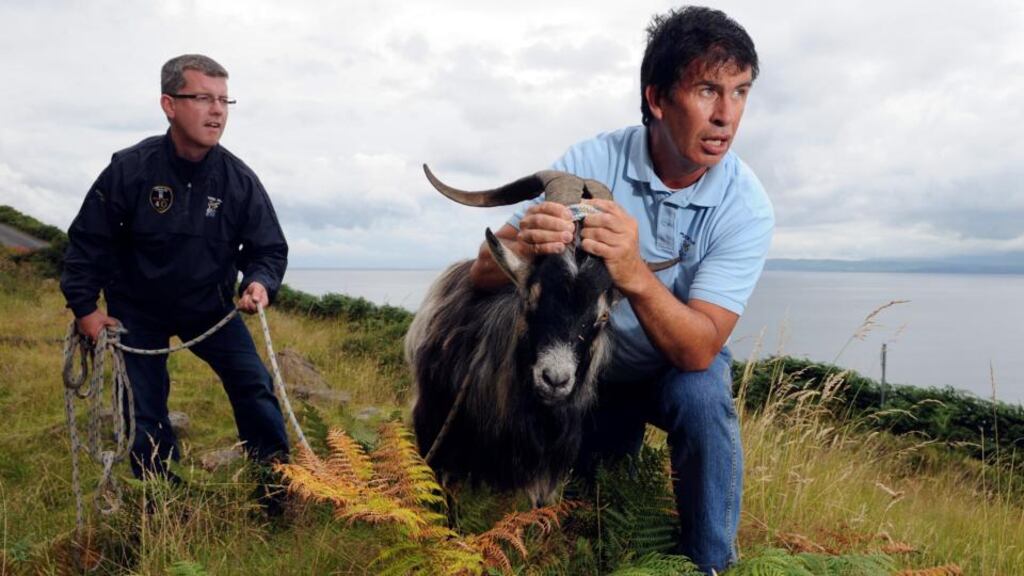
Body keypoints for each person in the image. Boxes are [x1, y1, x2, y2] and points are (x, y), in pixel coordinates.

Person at [469, 7, 772, 573]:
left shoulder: (744, 206)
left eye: (740, 93)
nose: (726, 116)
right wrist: (532, 245)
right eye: (708, 90)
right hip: (587, 374)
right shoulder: (590, 162)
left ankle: (711, 565)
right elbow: (480, 276)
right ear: (658, 100)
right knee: (593, 522)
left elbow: (699, 348)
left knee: (703, 395)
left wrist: (633, 272)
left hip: (667, 370)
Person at [60, 54, 290, 491]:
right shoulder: (130, 168)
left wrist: (260, 281)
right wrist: (86, 310)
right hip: (136, 312)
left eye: (224, 100)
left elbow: (268, 248)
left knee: (255, 385)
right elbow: (88, 242)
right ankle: (161, 499)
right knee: (143, 411)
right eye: (203, 97)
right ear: (169, 104)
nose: (217, 110)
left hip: (210, 310)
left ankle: (275, 488)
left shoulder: (239, 181)